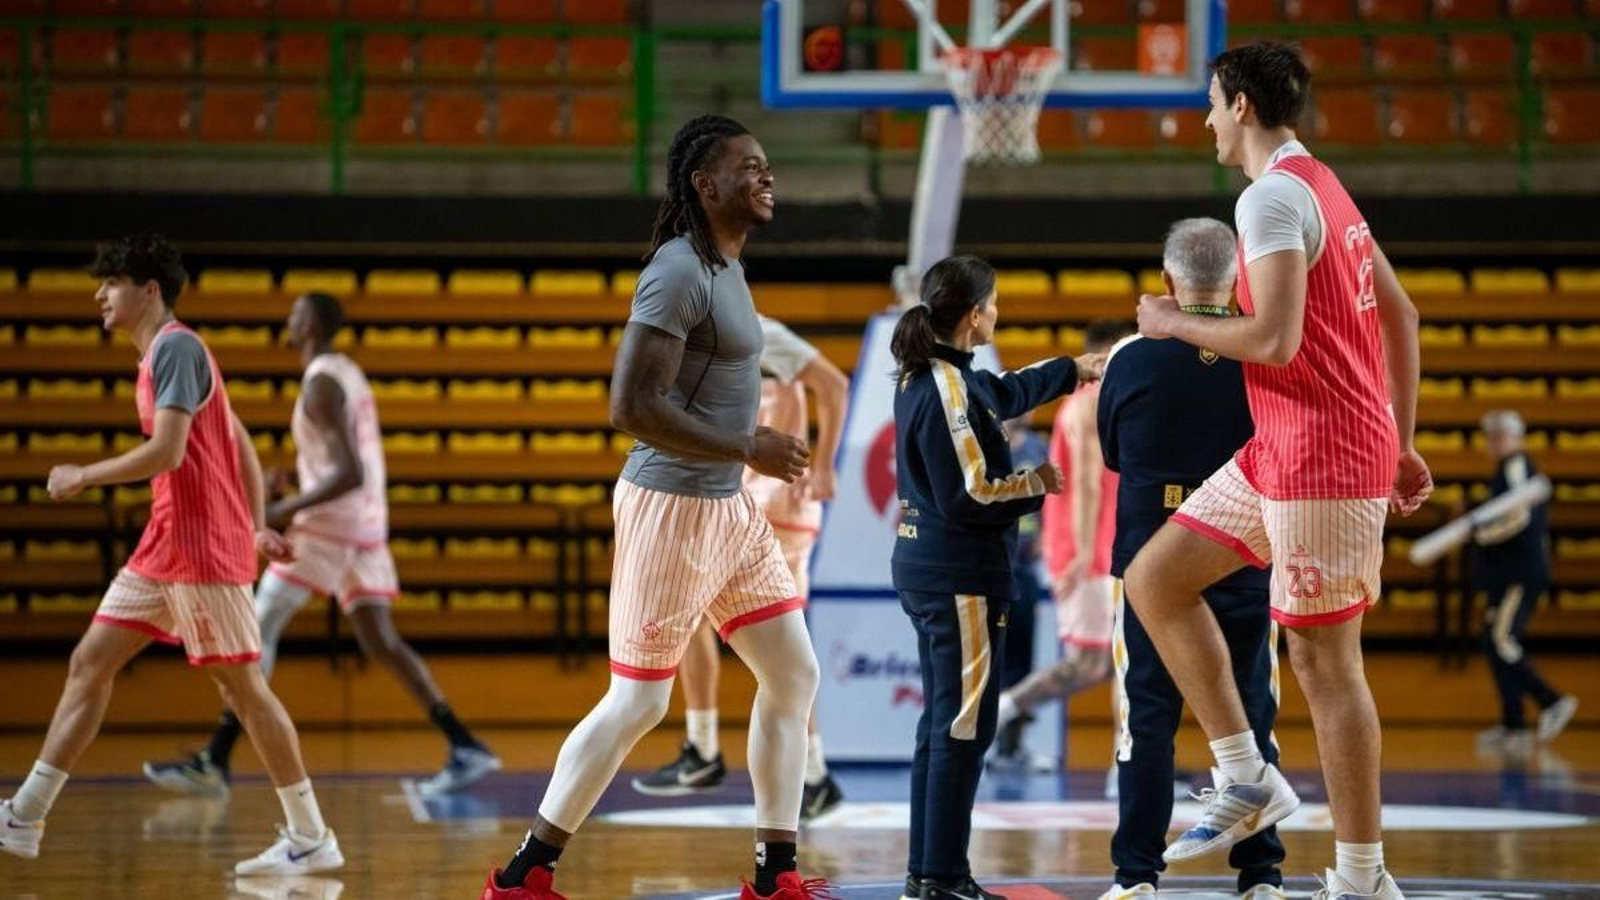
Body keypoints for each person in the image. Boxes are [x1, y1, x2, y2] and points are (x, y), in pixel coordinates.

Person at [482, 115, 829, 900]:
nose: (766, 177)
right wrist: (747, 446)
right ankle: (523, 875)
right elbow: (630, 405)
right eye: (749, 167)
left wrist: (742, 460)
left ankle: (777, 875)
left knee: (793, 673)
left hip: (729, 512)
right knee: (639, 699)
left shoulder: (729, 267)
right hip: (671, 506)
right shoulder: (678, 271)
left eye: (767, 165)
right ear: (706, 186)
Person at [1128, 43, 1433, 900]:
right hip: (1288, 448)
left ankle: (1363, 878)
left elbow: (1273, 342)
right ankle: (1247, 774)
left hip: (1323, 460)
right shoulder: (1323, 184)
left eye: (1211, 105)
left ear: (1242, 105)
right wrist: (1402, 441)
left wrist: (1172, 323)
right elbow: (1401, 317)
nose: (1206, 121)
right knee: (1155, 580)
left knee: (1326, 667)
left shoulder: (1269, 197)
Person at [0, 235, 343, 876]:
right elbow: (239, 439)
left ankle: (310, 833)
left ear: (149, 289)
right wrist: (258, 526)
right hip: (166, 544)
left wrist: (85, 474)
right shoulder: (166, 355)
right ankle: (24, 814)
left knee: (244, 691)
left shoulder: (176, 347)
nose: (100, 295)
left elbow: (169, 452)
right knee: (89, 662)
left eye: (112, 282)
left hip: (198, 550)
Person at [143, 292, 499, 799]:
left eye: (294, 315)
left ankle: (214, 758)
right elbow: (343, 462)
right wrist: (298, 477)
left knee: (256, 624)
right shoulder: (344, 372)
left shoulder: (319, 386)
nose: (287, 321)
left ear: (309, 325)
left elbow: (347, 471)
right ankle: (464, 744)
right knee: (381, 639)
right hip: (366, 524)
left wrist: (281, 513)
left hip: (331, 525)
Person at [889, 254, 1104, 900]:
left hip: (936, 569)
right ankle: (944, 877)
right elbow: (970, 493)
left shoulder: (946, 375)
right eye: (997, 303)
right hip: (959, 575)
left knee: (944, 724)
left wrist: (1071, 372)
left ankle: (927, 875)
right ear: (976, 314)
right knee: (963, 728)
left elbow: (1004, 393)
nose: (1000, 313)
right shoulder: (947, 386)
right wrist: (1035, 485)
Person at [1097, 219, 1286, 900]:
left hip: (1150, 552)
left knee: (1145, 719)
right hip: (1245, 557)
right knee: (1252, 712)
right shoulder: (1264, 352)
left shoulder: (1128, 356)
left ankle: (1135, 877)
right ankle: (1262, 875)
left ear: (1168, 281)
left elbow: (1113, 453)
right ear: (1239, 280)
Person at [632, 314, 850, 821]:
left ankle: (775, 767)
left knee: (780, 654)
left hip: (777, 506)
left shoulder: (756, 331)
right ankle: (712, 750)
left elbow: (834, 385)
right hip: (742, 505)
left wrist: (823, 466)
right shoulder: (700, 342)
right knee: (703, 622)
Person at [992, 321, 1134, 770]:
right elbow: (1087, 484)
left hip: (1104, 545)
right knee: (1090, 664)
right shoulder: (1086, 406)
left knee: (1125, 660)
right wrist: (1082, 556)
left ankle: (1128, 758)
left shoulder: (1103, 404)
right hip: (1088, 549)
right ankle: (1004, 709)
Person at [1470, 410, 1578, 752]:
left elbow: (1519, 514)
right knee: (1492, 639)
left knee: (1501, 639)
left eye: (1502, 436)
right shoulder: (1504, 469)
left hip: (1521, 570)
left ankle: (1552, 701)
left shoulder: (1516, 464)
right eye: (1492, 437)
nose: (1496, 444)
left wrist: (1484, 533)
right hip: (1506, 572)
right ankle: (1513, 723)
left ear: (1517, 438)